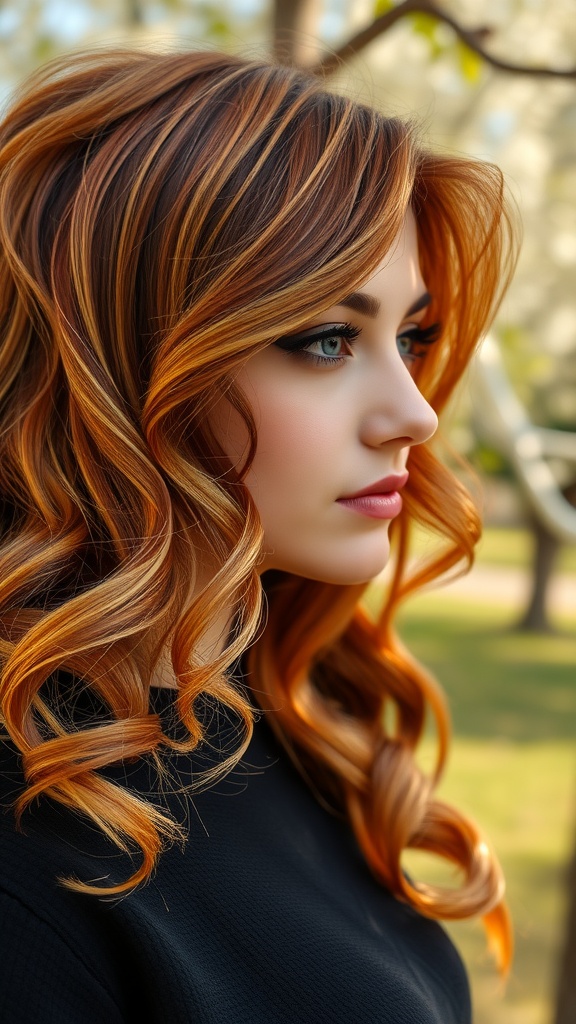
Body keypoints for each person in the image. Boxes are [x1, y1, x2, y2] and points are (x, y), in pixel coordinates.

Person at [0, 48, 517, 1024]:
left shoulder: (277, 725)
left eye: (411, 336)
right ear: (123, 362)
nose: (416, 414)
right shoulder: (30, 873)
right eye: (326, 338)